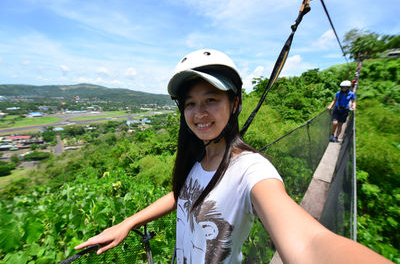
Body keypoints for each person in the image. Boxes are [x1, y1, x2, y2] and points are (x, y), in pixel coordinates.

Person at [75, 49, 391, 264]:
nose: (199, 113)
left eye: (211, 99)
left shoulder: (251, 171)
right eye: (190, 103)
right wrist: (128, 223)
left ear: (235, 103)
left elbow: (308, 243)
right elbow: (181, 193)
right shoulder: (199, 158)